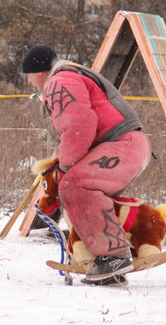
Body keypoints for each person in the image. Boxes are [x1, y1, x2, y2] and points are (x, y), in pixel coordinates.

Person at [21, 44, 151, 286]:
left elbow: (79, 125)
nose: (29, 82)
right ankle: (107, 257)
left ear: (39, 71)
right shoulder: (70, 75)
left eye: (28, 75)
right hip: (128, 145)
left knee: (75, 184)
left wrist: (64, 167)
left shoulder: (59, 82)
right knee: (84, 197)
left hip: (120, 145)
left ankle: (114, 257)